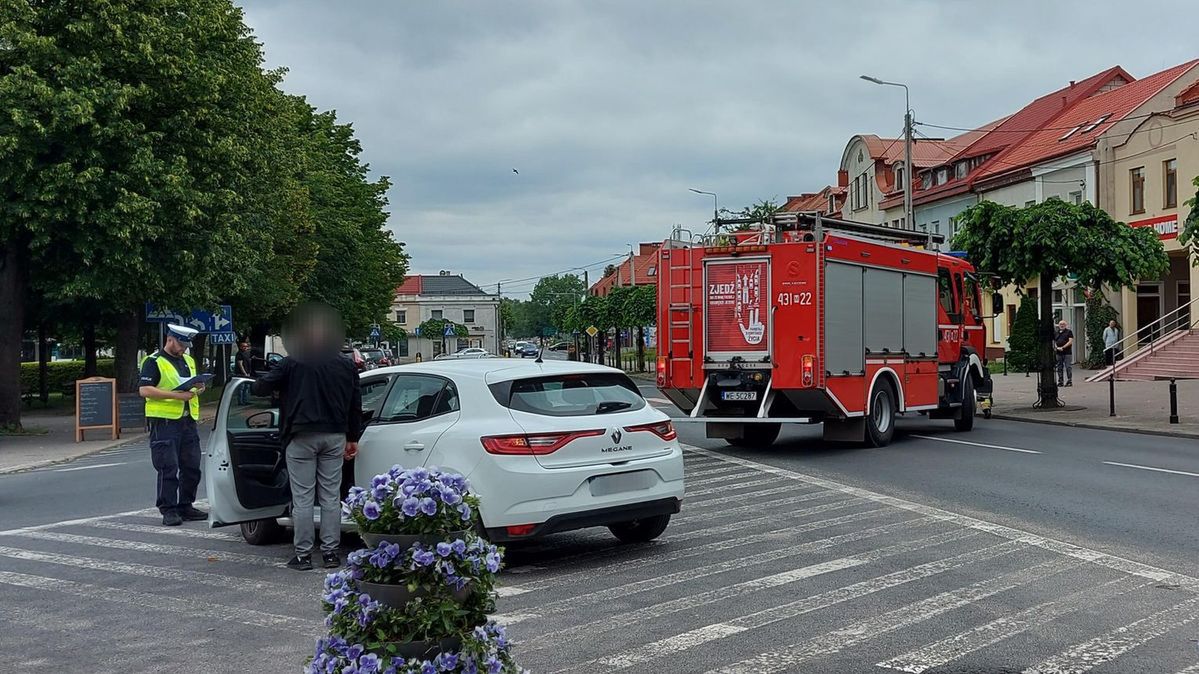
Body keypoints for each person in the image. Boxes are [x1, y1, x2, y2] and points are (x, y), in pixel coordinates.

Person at [253, 304, 363, 571]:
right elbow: (355, 403)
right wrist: (352, 437)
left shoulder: (292, 363)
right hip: (335, 436)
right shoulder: (345, 365)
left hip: (300, 436)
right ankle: (330, 554)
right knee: (330, 497)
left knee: (302, 498)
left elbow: (259, 387)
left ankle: (303, 556)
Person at [139, 324, 207, 526]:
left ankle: (186, 505)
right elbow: (145, 390)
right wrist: (176, 396)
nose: (184, 349)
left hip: (188, 419)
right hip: (164, 422)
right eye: (181, 344)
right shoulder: (153, 361)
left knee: (192, 466)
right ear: (170, 339)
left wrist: (198, 387)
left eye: (186, 345)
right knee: (168, 467)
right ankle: (168, 509)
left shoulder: (188, 360)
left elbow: (188, 384)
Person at [1054, 319, 1074, 387]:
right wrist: (1056, 347)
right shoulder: (1056, 332)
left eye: (1063, 324)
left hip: (1067, 352)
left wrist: (1063, 347)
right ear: (1058, 325)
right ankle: (1060, 381)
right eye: (1060, 324)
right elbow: (1054, 341)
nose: (1062, 325)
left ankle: (1069, 381)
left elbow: (1070, 341)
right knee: (1059, 367)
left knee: (1068, 367)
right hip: (1058, 352)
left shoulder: (1069, 332)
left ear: (1066, 325)